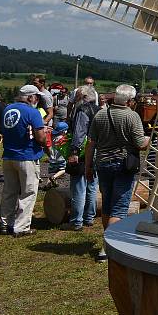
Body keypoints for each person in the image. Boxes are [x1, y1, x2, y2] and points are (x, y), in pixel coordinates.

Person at [85, 84, 149, 261]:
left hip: (102, 164)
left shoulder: (100, 114)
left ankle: (108, 241)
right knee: (119, 208)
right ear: (129, 101)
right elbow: (139, 144)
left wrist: (87, 167)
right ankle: (107, 248)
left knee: (107, 205)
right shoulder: (132, 116)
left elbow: (91, 143)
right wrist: (149, 139)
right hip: (123, 165)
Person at [0, 85, 46, 237]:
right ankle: (22, 227)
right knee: (28, 192)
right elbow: (40, 138)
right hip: (27, 155)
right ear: (30, 97)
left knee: (9, 191)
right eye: (36, 97)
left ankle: (6, 224)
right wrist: (46, 139)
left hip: (8, 155)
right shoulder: (32, 112)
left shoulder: (8, 109)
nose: (37, 100)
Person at [63, 85, 99, 231]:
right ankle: (89, 218)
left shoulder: (82, 110)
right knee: (92, 186)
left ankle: (76, 221)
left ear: (84, 97)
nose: (75, 99)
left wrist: (74, 152)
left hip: (83, 152)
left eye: (77, 96)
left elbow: (79, 132)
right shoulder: (99, 110)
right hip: (96, 151)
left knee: (79, 187)